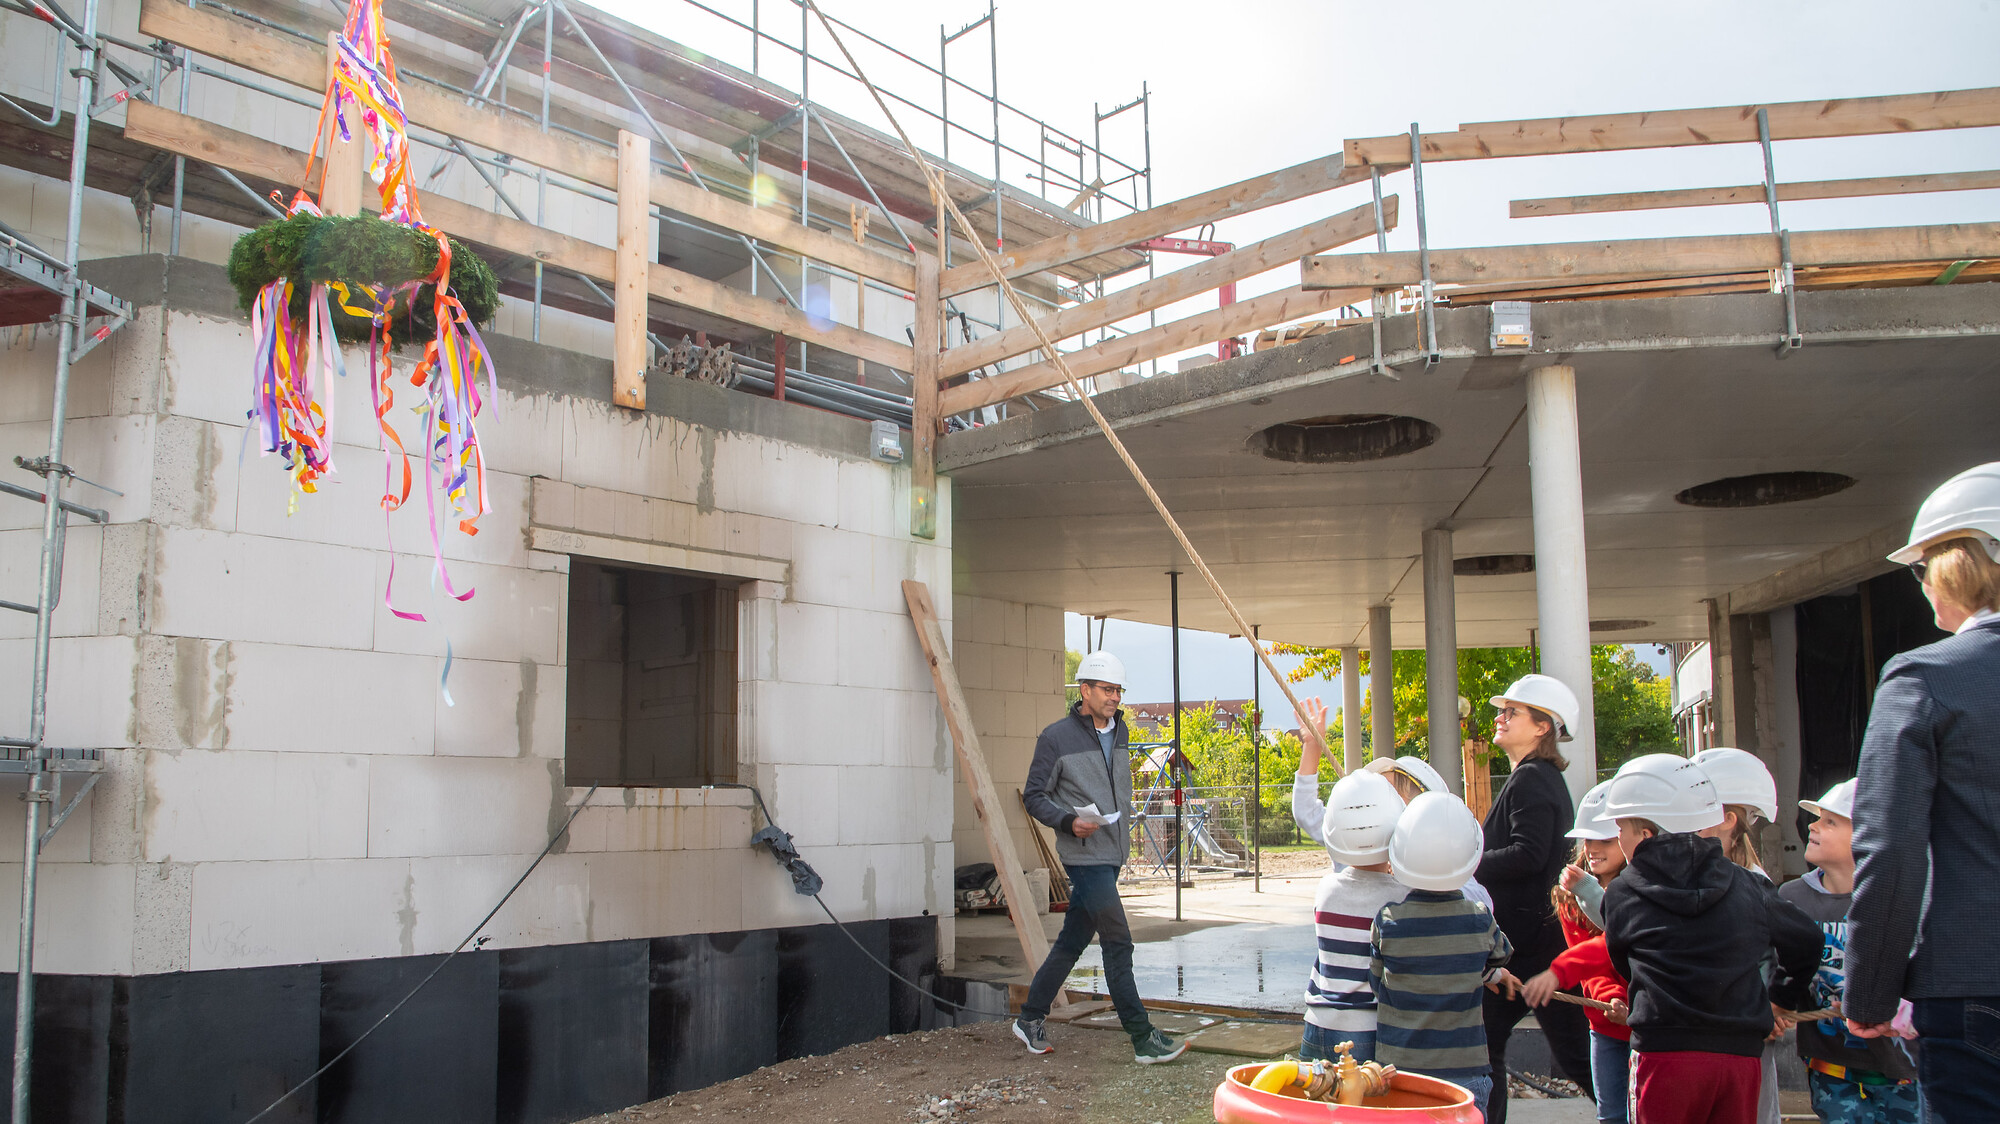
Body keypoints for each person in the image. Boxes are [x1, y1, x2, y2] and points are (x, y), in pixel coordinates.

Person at [1845, 462, 2000, 1121]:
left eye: (1922, 567)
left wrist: (1871, 995)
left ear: (1962, 563)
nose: (1923, 584)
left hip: (1976, 982)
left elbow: (1891, 850)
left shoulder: (1926, 677)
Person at [1601, 754, 1821, 1124]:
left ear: (1646, 834)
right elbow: (1808, 940)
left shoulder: (1623, 892)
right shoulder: (1749, 884)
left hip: (1664, 1053)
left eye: (1619, 828)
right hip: (1739, 1058)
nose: (1618, 838)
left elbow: (1624, 962)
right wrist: (1780, 997)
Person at [1015, 650, 1187, 1064]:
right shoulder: (1055, 738)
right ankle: (1142, 1037)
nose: (1114, 697)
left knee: (1072, 941)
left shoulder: (1121, 731)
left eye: (1118, 690)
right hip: (1083, 856)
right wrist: (1068, 821)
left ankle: (1030, 1017)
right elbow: (1034, 796)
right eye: (1107, 690)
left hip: (1112, 853)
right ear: (1085, 690)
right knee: (1118, 940)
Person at [1476, 673, 1593, 1122]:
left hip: (1528, 948)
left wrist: (1467, 861)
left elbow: (1529, 854)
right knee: (1574, 1054)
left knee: (1490, 1048)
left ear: (1543, 726)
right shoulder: (1535, 777)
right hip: (1536, 946)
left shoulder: (1531, 779)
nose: (1501, 718)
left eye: (1512, 712)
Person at [1778, 780, 1922, 1124]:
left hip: (1904, 1068)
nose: (1812, 826)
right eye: (1818, 818)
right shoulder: (1791, 899)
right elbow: (1778, 971)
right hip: (1831, 1066)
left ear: (1868, 836)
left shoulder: (1907, 898)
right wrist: (1775, 1007)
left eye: (1830, 821)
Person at [1372, 792, 1513, 1109]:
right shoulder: (1479, 918)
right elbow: (1501, 953)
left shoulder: (1387, 921)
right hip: (1464, 1074)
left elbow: (1377, 983)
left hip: (1399, 1073)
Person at [1520, 781, 1632, 1124]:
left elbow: (1619, 942)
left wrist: (1559, 970)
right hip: (1606, 1024)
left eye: (1605, 840)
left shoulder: (1641, 891)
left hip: (1652, 1024)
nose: (1593, 848)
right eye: (1588, 839)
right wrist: (1612, 1000)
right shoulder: (1571, 897)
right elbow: (1592, 960)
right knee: (1611, 1115)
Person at [1691, 746, 1785, 1124]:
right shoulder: (1680, 878)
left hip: (1747, 1038)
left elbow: (1781, 954)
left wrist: (1774, 1003)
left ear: (1727, 820)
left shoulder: (1756, 885)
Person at [1298, 771, 1410, 1062]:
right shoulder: (1403, 896)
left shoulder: (1327, 889)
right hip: (1369, 1026)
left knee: (1318, 1091)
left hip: (1318, 1023)